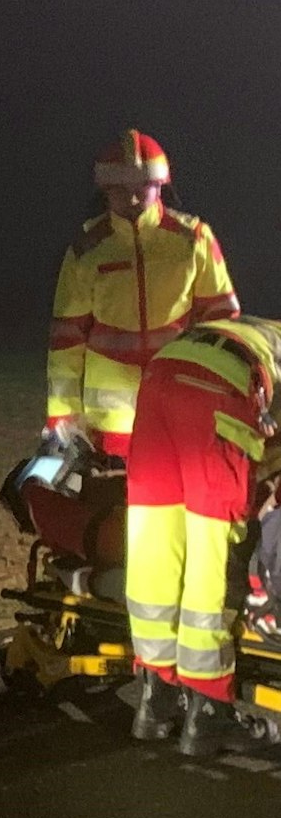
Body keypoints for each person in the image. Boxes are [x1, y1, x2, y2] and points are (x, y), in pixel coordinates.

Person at [124, 314, 281, 755]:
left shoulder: (264, 332)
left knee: (155, 541)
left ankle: (156, 701)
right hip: (218, 388)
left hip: (160, 377)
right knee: (210, 548)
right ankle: (210, 712)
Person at [47, 130, 238, 459]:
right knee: (112, 504)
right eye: (121, 191)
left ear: (161, 185)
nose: (133, 199)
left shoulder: (194, 240)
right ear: (105, 190)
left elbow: (224, 324)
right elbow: (67, 339)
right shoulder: (87, 249)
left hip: (181, 403)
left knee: (175, 503)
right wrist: (61, 417)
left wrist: (224, 398)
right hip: (109, 421)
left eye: (142, 188)